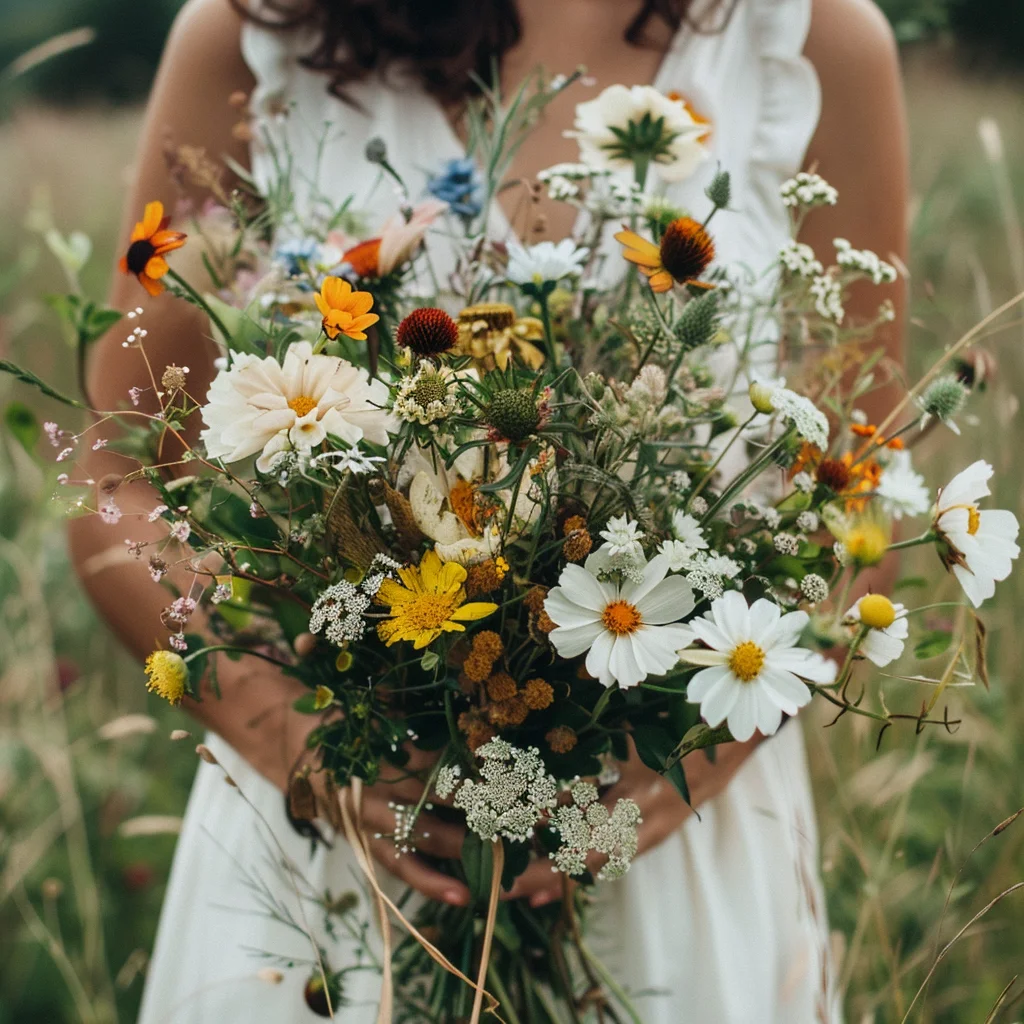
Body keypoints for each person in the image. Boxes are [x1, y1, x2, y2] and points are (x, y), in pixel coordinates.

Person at [69, 0, 907, 1019]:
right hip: (333, 869)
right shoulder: (255, 34)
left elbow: (860, 498)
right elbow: (114, 477)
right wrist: (287, 737)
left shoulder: (810, 42)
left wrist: (684, 756)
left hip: (664, 844)